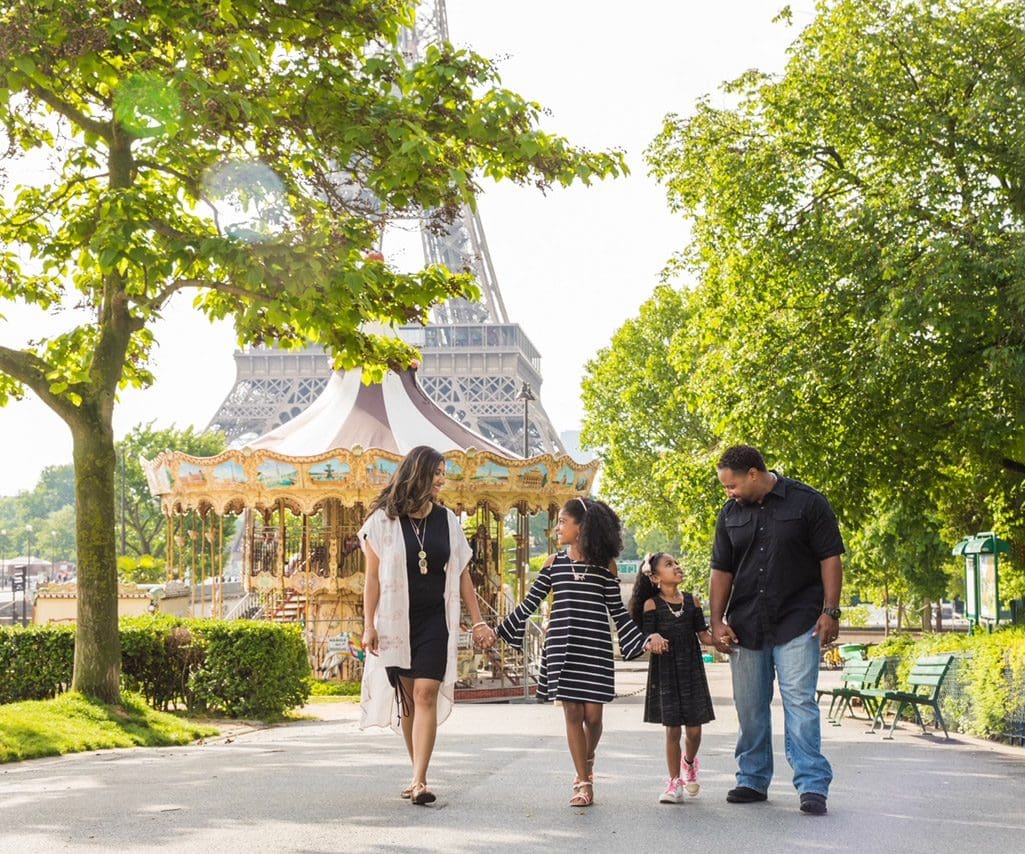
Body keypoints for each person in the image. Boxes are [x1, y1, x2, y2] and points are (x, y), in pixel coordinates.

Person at [494, 497, 666, 808]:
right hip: (562, 646)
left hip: (595, 647)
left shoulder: (606, 567)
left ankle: (587, 757)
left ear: (581, 526)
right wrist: (498, 632)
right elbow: (529, 604)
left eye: (562, 521)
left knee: (594, 716)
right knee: (573, 712)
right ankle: (583, 781)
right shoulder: (553, 563)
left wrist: (641, 640)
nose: (557, 527)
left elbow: (618, 613)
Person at [709, 444, 844, 816]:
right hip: (747, 623)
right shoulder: (729, 514)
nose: (729, 493)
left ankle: (812, 784)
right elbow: (721, 570)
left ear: (754, 474)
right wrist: (716, 620)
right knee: (750, 707)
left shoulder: (808, 503)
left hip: (798, 619)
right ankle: (752, 778)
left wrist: (830, 611)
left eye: (732, 485)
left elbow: (830, 558)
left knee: (799, 703)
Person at [359, 445, 496, 806]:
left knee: (424, 694)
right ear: (417, 473)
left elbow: (463, 574)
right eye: (436, 472)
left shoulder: (447, 520)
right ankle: (414, 770)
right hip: (395, 621)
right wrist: (367, 625)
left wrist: (478, 621)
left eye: (442, 473)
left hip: (436, 619)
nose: (441, 479)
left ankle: (420, 780)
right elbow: (371, 579)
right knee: (408, 701)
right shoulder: (381, 521)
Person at [628, 552, 715, 804]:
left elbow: (704, 635)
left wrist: (722, 641)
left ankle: (689, 762)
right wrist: (653, 640)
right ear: (655, 577)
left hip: (692, 669)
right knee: (672, 729)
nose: (676, 567)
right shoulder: (651, 605)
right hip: (666, 671)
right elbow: (647, 637)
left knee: (695, 730)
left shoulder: (693, 601)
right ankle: (674, 781)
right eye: (669, 565)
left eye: (676, 563)